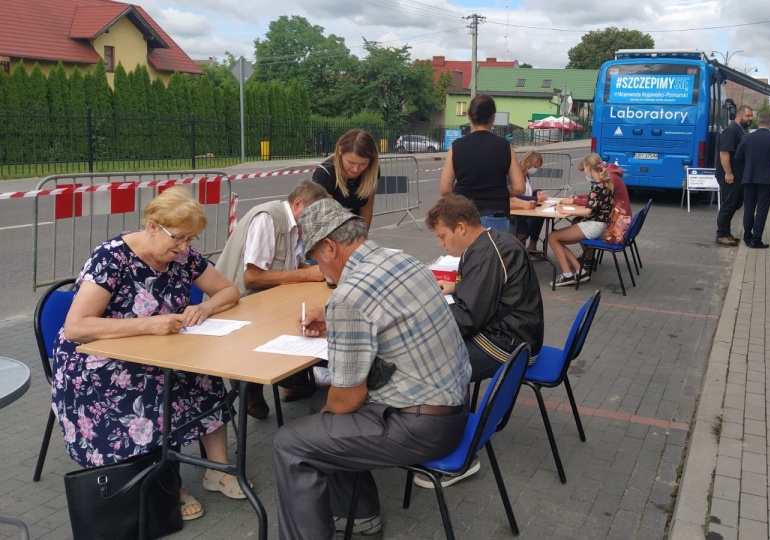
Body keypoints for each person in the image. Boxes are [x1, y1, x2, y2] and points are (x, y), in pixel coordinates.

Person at [273, 199, 472, 540]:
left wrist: (338, 314)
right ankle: (362, 516)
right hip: (453, 403)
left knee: (290, 443)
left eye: (315, 257)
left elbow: (347, 400)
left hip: (425, 424)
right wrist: (333, 318)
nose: (318, 267)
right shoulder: (402, 259)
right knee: (317, 407)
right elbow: (382, 311)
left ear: (331, 247)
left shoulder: (349, 297)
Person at [51, 187, 243, 522]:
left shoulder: (182, 254)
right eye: (179, 239)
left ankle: (218, 470)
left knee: (205, 374)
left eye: (191, 240)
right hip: (97, 359)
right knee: (151, 390)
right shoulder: (111, 257)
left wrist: (204, 307)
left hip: (157, 347)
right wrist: (148, 325)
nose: (184, 248)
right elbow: (76, 327)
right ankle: (167, 487)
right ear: (153, 226)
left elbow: (229, 290)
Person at [422, 194, 543, 487]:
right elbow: (485, 291)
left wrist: (422, 318)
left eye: (442, 236)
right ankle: (443, 429)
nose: (441, 244)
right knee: (444, 354)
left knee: (444, 364)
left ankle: (460, 458)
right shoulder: (491, 241)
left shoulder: (485, 254)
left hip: (511, 344)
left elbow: (466, 319)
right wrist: (456, 285)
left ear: (461, 227)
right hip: (517, 332)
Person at [216, 179, 329, 420]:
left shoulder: (296, 226)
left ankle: (294, 379)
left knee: (310, 319)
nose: (316, 220)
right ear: (298, 203)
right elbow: (252, 277)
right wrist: (308, 273)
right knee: (304, 324)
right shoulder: (268, 218)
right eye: (314, 213)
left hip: (266, 301)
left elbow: (290, 265)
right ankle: (253, 382)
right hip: (239, 305)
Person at [440, 94, 526, 231]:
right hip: (496, 214)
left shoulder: (457, 146)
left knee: (467, 253)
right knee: (494, 252)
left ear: (469, 116)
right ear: (493, 117)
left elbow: (445, 189)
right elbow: (519, 187)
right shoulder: (504, 146)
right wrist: (500, 192)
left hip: (464, 216)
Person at [547, 153, 615, 287]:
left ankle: (567, 275)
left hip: (593, 225)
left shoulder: (597, 186)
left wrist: (563, 210)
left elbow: (587, 211)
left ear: (589, 167)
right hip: (599, 225)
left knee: (553, 237)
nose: (584, 170)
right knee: (557, 239)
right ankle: (579, 271)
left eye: (584, 167)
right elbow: (592, 204)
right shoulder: (605, 184)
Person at [734, 111, 770, 249]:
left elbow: (738, 157)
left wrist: (744, 172)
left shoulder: (746, 137)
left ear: (758, 122)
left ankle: (747, 237)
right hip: (767, 179)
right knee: (762, 209)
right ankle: (756, 239)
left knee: (749, 208)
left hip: (748, 178)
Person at [311, 128, 380, 231]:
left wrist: (362, 239)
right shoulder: (324, 174)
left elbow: (367, 208)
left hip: (353, 229)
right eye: (351, 162)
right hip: (327, 229)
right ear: (340, 151)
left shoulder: (372, 171)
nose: (356, 169)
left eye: (363, 164)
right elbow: (328, 219)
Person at [715, 106, 754, 246]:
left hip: (739, 175)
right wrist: (728, 173)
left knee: (735, 204)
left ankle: (726, 232)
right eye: (748, 116)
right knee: (728, 204)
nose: (750, 119)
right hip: (730, 176)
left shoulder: (742, 130)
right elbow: (724, 153)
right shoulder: (731, 131)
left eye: (751, 116)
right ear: (739, 115)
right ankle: (721, 234)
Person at [510, 151, 549, 253]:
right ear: (528, 162)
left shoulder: (526, 175)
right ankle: (523, 245)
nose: (535, 169)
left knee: (540, 216)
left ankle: (532, 246)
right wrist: (536, 199)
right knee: (534, 218)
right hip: (517, 210)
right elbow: (515, 195)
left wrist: (537, 192)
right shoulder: (514, 175)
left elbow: (527, 192)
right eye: (535, 166)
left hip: (527, 207)